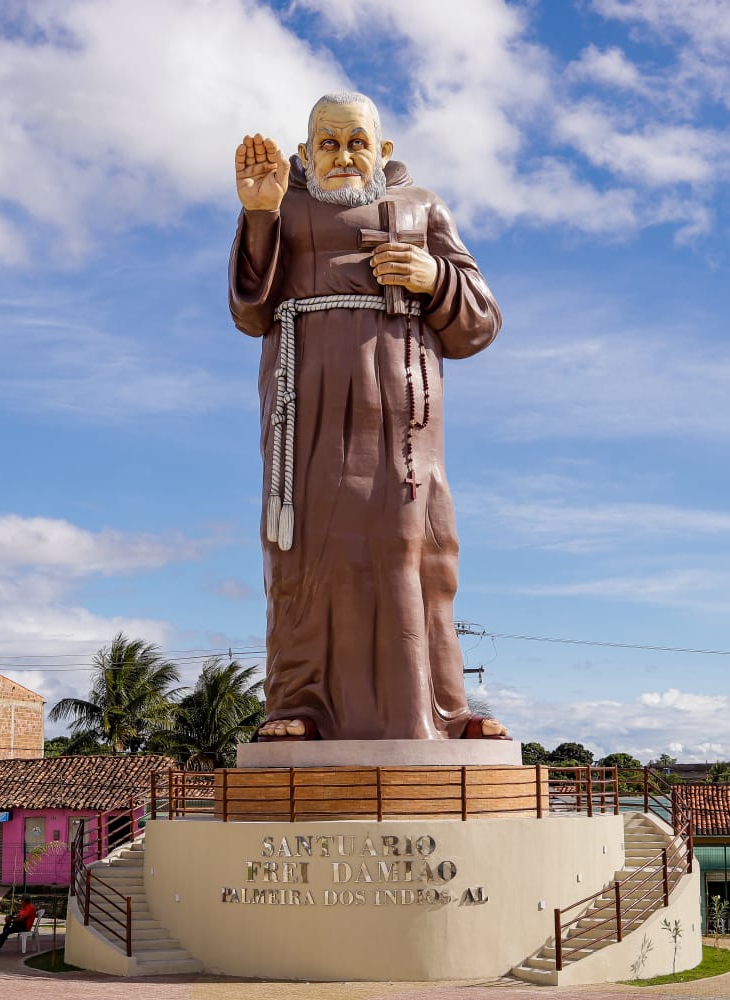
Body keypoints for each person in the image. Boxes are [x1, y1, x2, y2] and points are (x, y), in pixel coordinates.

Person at [230, 92, 506, 742]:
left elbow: (481, 322)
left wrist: (433, 276)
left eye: (357, 142)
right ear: (305, 153)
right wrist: (260, 215)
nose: (344, 155)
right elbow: (250, 312)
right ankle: (299, 706)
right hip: (308, 414)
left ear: (382, 151)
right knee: (303, 555)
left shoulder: (424, 208)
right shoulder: (284, 206)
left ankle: (441, 710)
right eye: (328, 142)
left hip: (403, 419)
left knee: (417, 551)